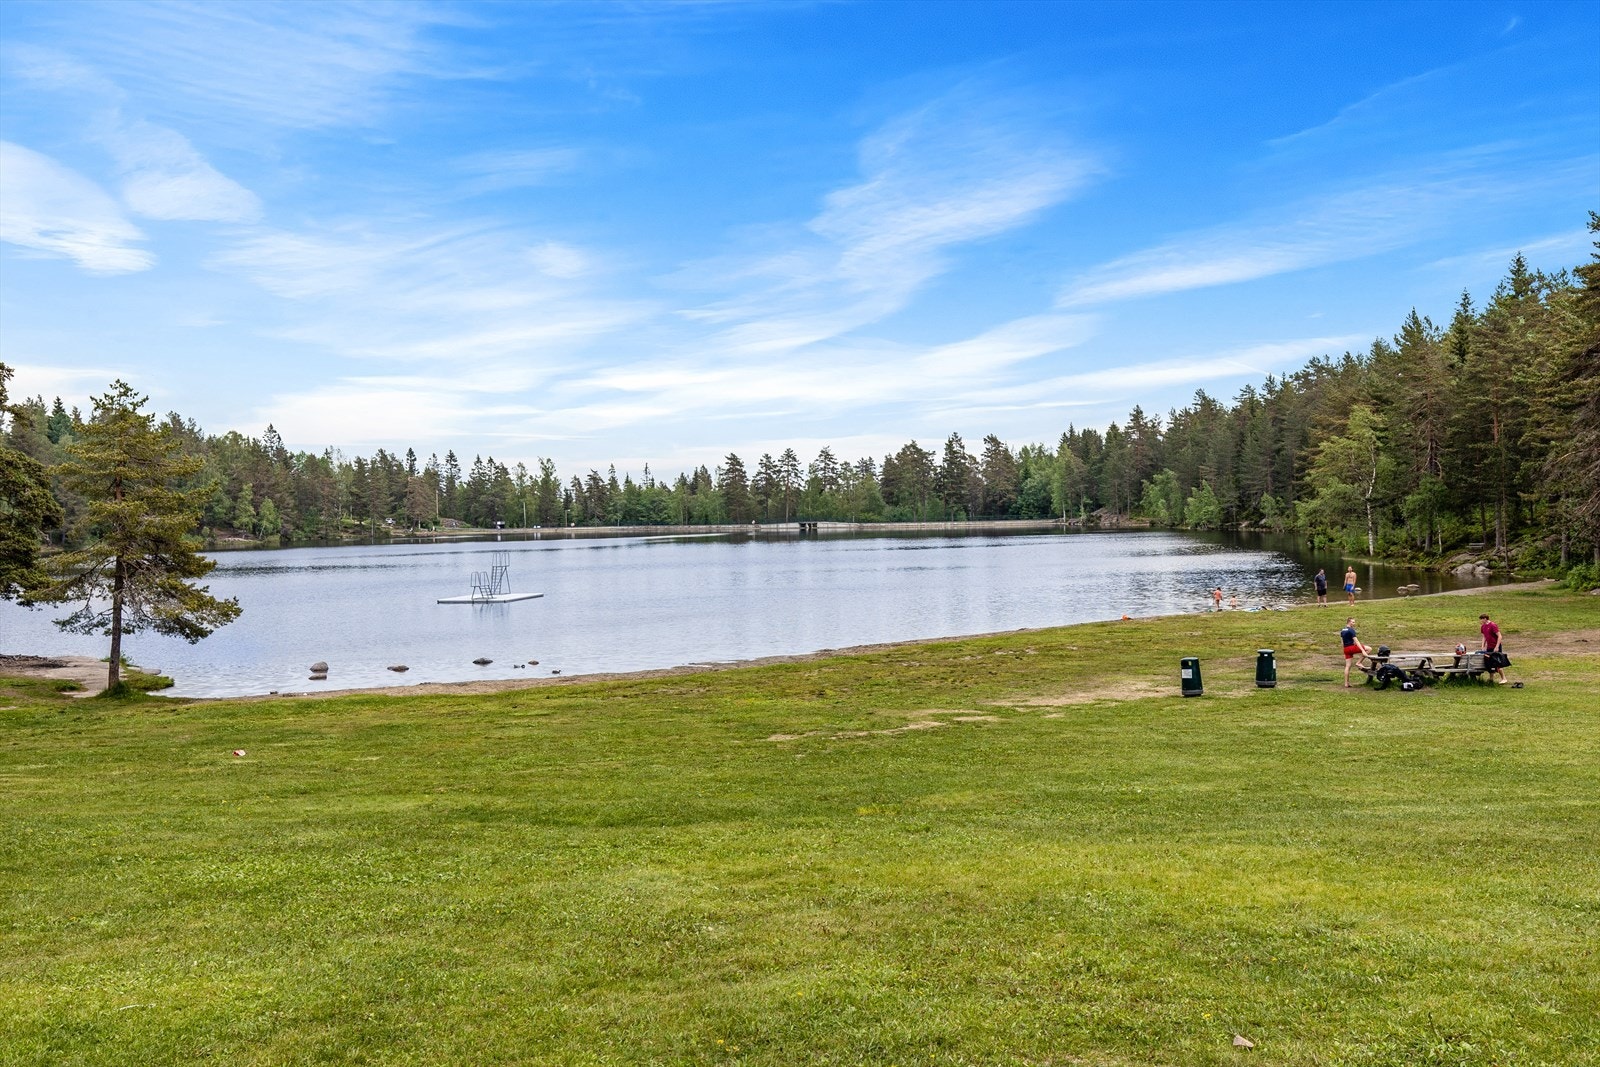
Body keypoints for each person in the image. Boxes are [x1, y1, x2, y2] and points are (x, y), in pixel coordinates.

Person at [1479, 612, 1510, 684]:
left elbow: (1500, 636)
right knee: (1490, 662)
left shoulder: (1493, 625)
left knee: (1498, 662)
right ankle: (1491, 679)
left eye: (1481, 619)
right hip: (1489, 647)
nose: (1481, 621)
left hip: (1495, 646)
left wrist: (1497, 646)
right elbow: (1484, 637)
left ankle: (1504, 678)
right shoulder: (1483, 627)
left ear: (1485, 619)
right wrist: (1483, 646)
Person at [1340, 616, 1370, 688]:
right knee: (1369, 649)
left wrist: (1344, 649)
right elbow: (1356, 641)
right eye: (1353, 622)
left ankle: (1346, 683)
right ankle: (1359, 662)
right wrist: (1363, 651)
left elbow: (1342, 641)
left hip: (1346, 649)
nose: (1354, 623)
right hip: (1351, 647)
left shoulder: (1342, 630)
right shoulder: (1351, 630)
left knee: (1347, 666)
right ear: (1349, 622)